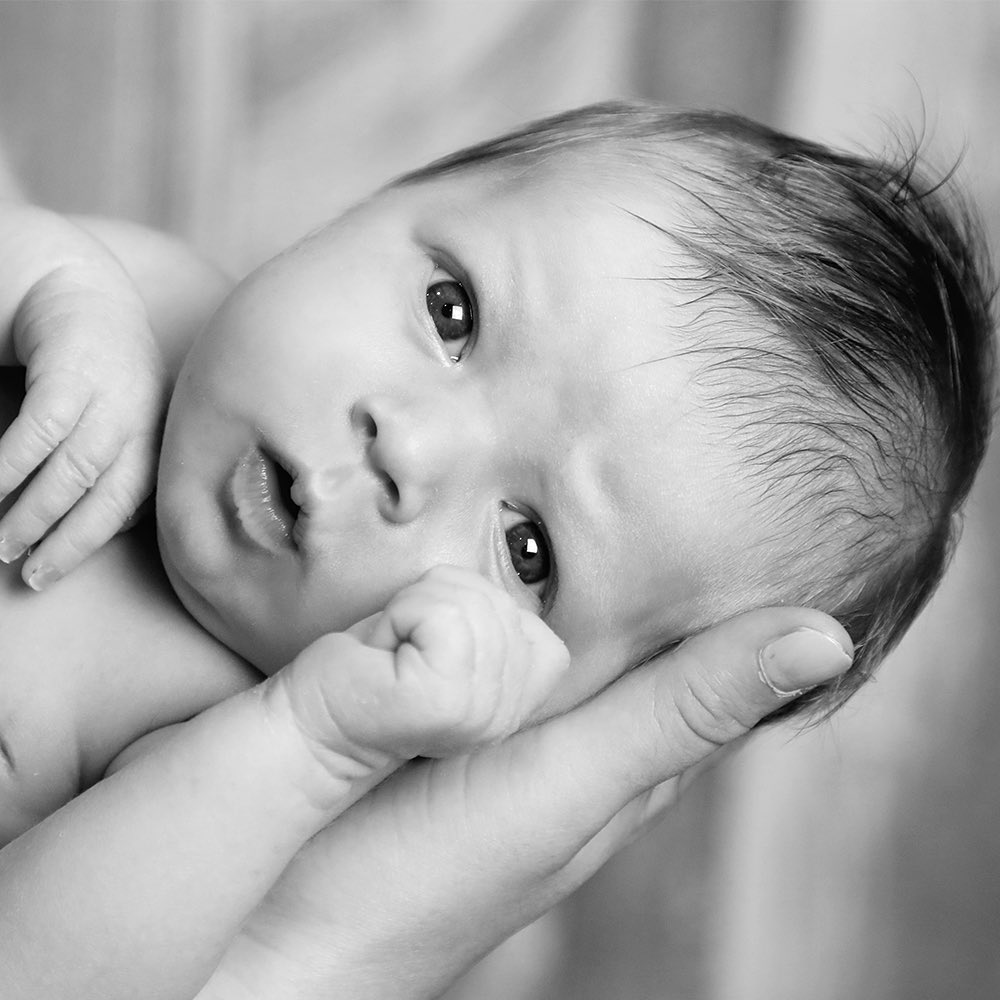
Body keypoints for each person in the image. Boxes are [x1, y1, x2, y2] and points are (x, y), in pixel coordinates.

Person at [0, 101, 992, 998]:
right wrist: (47, 279)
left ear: (543, 711)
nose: (410, 448)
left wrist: (308, 740)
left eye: (527, 549)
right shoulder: (134, 295)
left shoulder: (221, 761)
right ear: (395, 191)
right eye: (453, 313)